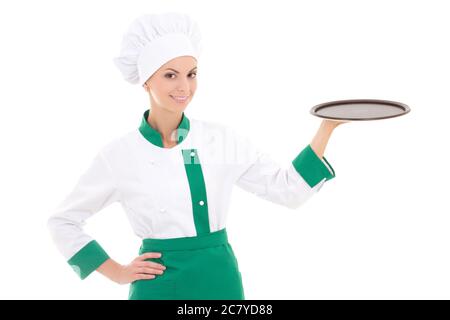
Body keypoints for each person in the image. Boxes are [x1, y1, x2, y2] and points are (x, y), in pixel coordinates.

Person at [47, 12, 347, 300]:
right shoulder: (119, 155)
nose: (184, 87)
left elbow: (288, 191)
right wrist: (116, 272)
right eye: (170, 75)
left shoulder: (220, 140)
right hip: (157, 286)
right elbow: (63, 222)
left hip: (220, 282)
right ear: (146, 80)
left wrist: (327, 128)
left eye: (191, 74)